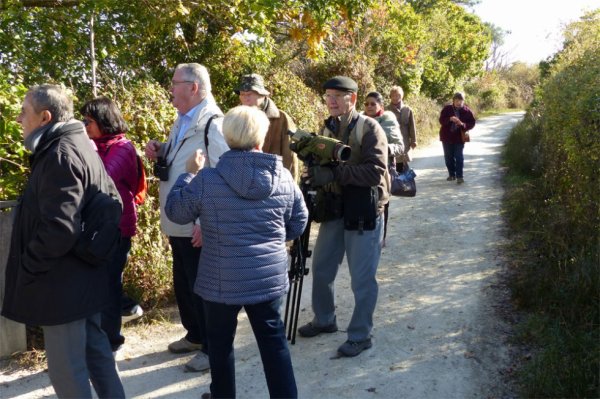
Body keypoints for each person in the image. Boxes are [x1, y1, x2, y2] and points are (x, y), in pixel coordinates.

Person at [165, 105, 308, 399]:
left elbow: (176, 212)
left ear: (227, 137)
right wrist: (273, 241)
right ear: (261, 138)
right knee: (273, 343)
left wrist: (188, 175)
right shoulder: (282, 177)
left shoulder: (206, 180)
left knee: (219, 345)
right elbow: (299, 221)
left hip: (220, 279)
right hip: (267, 278)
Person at [1, 84, 125, 398]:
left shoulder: (60, 154)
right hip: (83, 278)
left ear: (45, 117)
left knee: (68, 371)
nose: (18, 119)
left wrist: (29, 265)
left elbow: (60, 228)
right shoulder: (77, 144)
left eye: (24, 112)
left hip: (64, 286)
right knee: (96, 356)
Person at [145, 63, 229, 372]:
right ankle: (195, 335)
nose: (170, 88)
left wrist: (205, 222)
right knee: (183, 282)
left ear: (193, 88)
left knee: (202, 285)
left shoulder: (214, 125)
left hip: (195, 223)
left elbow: (220, 176)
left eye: (174, 83)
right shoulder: (183, 119)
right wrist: (161, 149)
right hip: (177, 218)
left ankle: (210, 348)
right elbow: (184, 157)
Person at [297, 76, 390, 357]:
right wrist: (312, 172)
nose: (331, 101)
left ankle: (361, 335)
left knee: (362, 278)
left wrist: (335, 173)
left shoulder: (370, 128)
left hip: (364, 210)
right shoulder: (328, 127)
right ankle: (325, 319)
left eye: (337, 96)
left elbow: (375, 173)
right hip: (334, 207)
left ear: (352, 98)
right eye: (328, 96)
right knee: (323, 268)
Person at [80, 97, 143, 354]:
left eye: (89, 121)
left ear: (104, 121)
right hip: (98, 226)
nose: (84, 126)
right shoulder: (95, 145)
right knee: (101, 282)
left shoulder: (122, 147)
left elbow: (101, 178)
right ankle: (122, 315)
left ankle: (112, 341)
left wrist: (85, 149)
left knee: (109, 283)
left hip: (117, 227)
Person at [235, 73, 299, 181]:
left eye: (249, 94)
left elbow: (290, 159)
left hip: (273, 183)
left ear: (263, 95)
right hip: (242, 183)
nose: (245, 99)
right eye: (242, 94)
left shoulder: (282, 119)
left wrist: (288, 188)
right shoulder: (235, 118)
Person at [363, 91, 404, 247]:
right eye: (366, 104)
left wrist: (384, 148)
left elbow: (400, 146)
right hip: (363, 168)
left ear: (381, 105)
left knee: (382, 201)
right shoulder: (360, 121)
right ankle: (364, 236)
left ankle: (381, 236)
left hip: (383, 168)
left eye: (373, 103)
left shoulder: (388, 120)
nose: (369, 107)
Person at [438, 92, 476, 184]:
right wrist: (449, 119)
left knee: (459, 157)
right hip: (446, 137)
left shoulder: (467, 111)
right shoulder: (447, 109)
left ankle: (459, 176)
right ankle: (452, 175)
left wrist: (462, 124)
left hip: (459, 138)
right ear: (453, 101)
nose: (459, 102)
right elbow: (441, 120)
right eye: (457, 100)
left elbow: (472, 123)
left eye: (461, 100)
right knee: (448, 157)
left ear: (463, 101)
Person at [387, 86, 417, 172]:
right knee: (392, 165)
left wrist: (414, 140)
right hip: (391, 141)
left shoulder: (407, 109)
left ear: (402, 96)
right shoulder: (386, 110)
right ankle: (395, 183)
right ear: (390, 96)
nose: (396, 98)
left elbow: (412, 126)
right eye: (393, 96)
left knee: (403, 166)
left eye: (398, 96)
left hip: (404, 142)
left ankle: (404, 184)